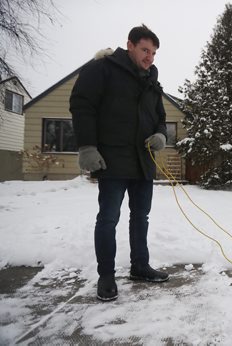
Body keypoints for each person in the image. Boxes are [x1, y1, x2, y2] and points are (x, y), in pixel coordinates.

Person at [70, 25, 169, 301]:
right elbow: (82, 104)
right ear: (130, 45)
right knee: (108, 219)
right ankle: (106, 276)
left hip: (143, 161)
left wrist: (161, 133)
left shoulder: (151, 80)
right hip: (112, 159)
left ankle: (140, 266)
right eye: (145, 50)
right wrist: (87, 146)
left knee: (141, 217)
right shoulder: (102, 69)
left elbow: (160, 116)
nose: (150, 57)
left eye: (154, 52)